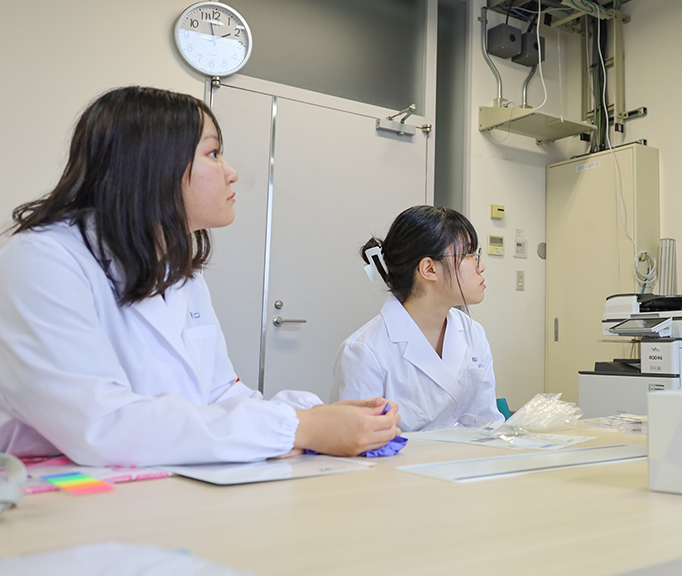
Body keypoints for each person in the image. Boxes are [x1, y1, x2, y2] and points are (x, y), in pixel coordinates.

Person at [0, 86, 401, 467]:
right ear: (152, 164)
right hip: (57, 494)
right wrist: (299, 427)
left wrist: (313, 415)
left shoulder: (178, 271)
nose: (231, 173)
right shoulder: (43, 260)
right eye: (213, 153)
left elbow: (218, 393)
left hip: (164, 484)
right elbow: (101, 424)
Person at [332, 206, 504, 432]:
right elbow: (356, 439)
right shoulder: (364, 351)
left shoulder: (473, 332)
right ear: (429, 269)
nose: (480, 266)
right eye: (469, 255)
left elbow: (488, 424)